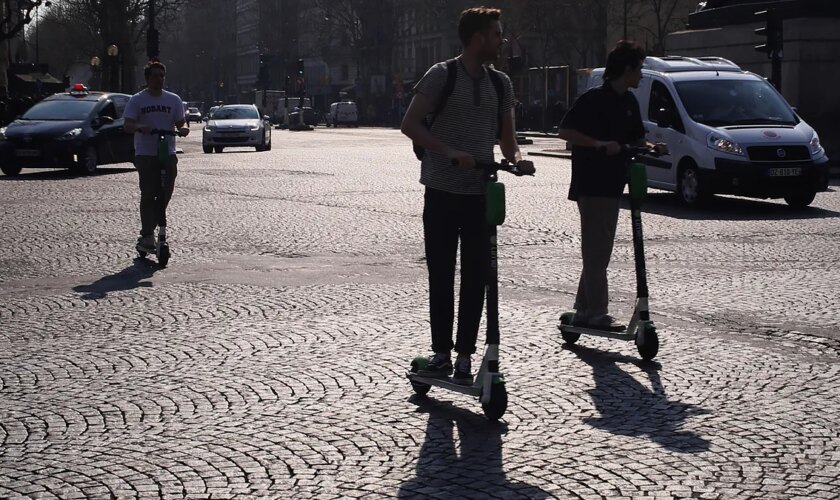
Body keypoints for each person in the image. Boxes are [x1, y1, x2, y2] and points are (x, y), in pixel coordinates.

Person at [401, 6, 535, 385]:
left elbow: (508, 140)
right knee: (442, 274)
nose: (501, 40)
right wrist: (449, 152)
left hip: (479, 192)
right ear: (478, 38)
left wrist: (518, 159)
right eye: (496, 34)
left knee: (477, 276)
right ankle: (441, 353)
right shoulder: (441, 75)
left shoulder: (500, 84)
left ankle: (464, 357)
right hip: (442, 191)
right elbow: (409, 124)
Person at [558, 41, 666, 332]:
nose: (642, 75)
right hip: (591, 183)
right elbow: (565, 132)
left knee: (600, 250)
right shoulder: (593, 99)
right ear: (627, 69)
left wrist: (653, 147)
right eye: (639, 68)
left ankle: (582, 310)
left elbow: (635, 138)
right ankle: (597, 313)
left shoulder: (629, 101)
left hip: (615, 183)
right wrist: (598, 144)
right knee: (596, 250)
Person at [123, 60, 189, 254]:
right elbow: (127, 125)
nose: (159, 79)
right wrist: (139, 127)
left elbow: (180, 121)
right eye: (155, 76)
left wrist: (183, 128)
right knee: (149, 191)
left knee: (166, 189)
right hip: (145, 152)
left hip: (166, 150)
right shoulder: (137, 100)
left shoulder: (173, 100)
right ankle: (147, 234)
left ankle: (149, 231)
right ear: (147, 78)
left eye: (162, 76)